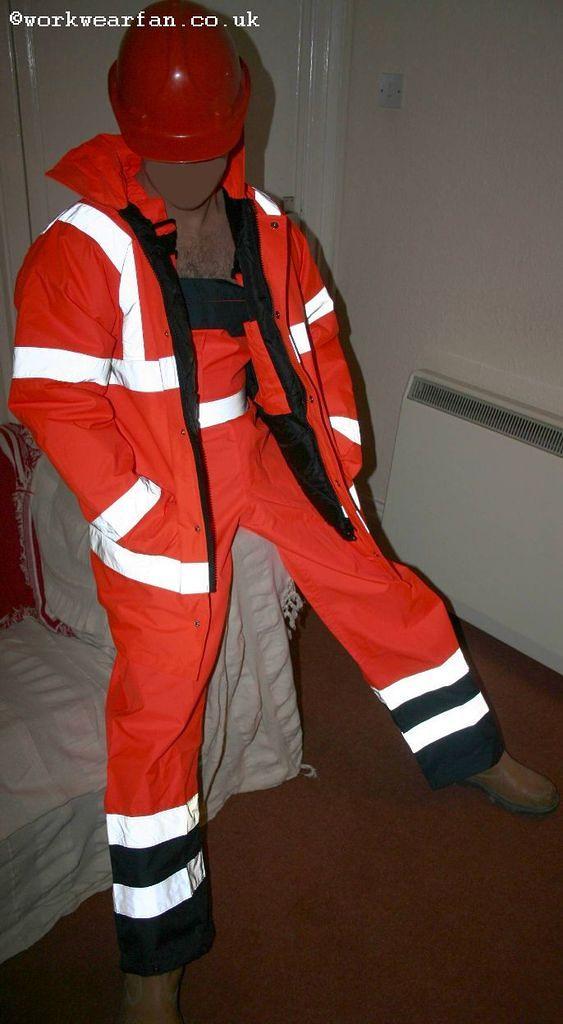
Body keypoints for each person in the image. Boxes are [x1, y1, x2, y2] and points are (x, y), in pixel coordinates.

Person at [7, 2, 558, 1021]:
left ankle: (471, 750)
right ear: (128, 125)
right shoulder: (75, 248)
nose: (187, 170)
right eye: (166, 152)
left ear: (235, 121)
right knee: (158, 710)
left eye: (203, 148)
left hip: (259, 447)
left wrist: (335, 457)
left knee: (379, 585)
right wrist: (134, 512)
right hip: (160, 482)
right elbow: (54, 400)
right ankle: (153, 958)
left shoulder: (267, 226)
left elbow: (315, 337)